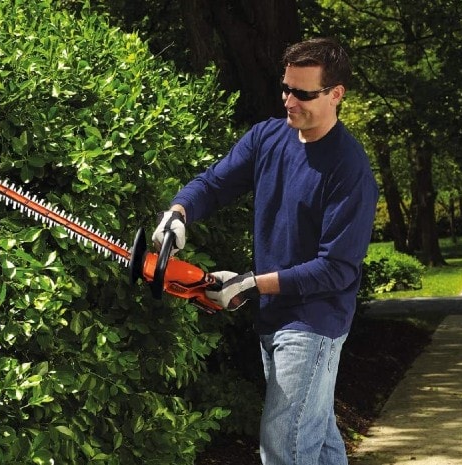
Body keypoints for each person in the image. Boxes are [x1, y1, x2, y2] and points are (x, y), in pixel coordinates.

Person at [152, 37, 378, 464]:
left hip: (314, 322)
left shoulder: (350, 169)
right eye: (285, 89)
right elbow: (215, 183)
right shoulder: (268, 138)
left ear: (336, 94)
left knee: (285, 447)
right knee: (318, 438)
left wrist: (252, 285)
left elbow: (337, 269)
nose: (289, 101)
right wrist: (179, 212)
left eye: (303, 93)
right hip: (273, 315)